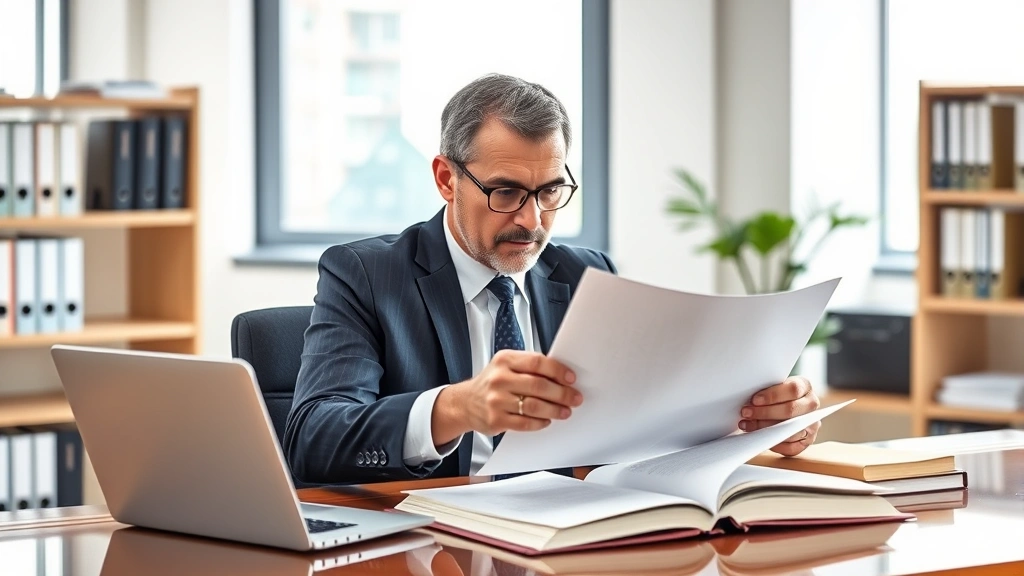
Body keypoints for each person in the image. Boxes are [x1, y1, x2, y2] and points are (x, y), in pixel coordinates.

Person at [283, 73, 821, 485]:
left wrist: (757, 423)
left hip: (564, 539)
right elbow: (313, 438)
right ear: (447, 179)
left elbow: (639, 428)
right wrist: (458, 406)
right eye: (506, 192)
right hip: (432, 544)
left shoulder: (588, 274)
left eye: (549, 192)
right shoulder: (366, 274)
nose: (532, 221)